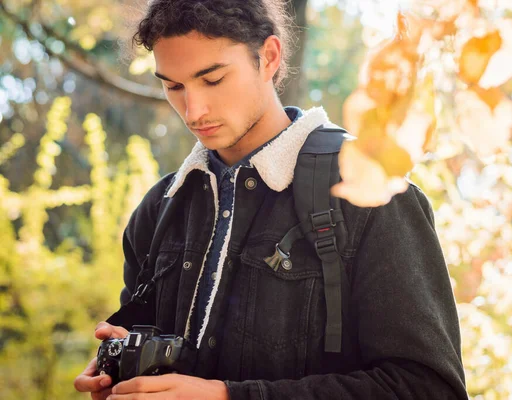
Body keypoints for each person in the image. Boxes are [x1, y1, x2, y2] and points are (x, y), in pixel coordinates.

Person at [74, 1, 468, 399]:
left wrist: (230, 397)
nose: (193, 111)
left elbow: (430, 389)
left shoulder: (368, 190)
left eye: (212, 80)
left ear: (269, 57)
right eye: (173, 86)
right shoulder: (158, 209)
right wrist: (120, 366)